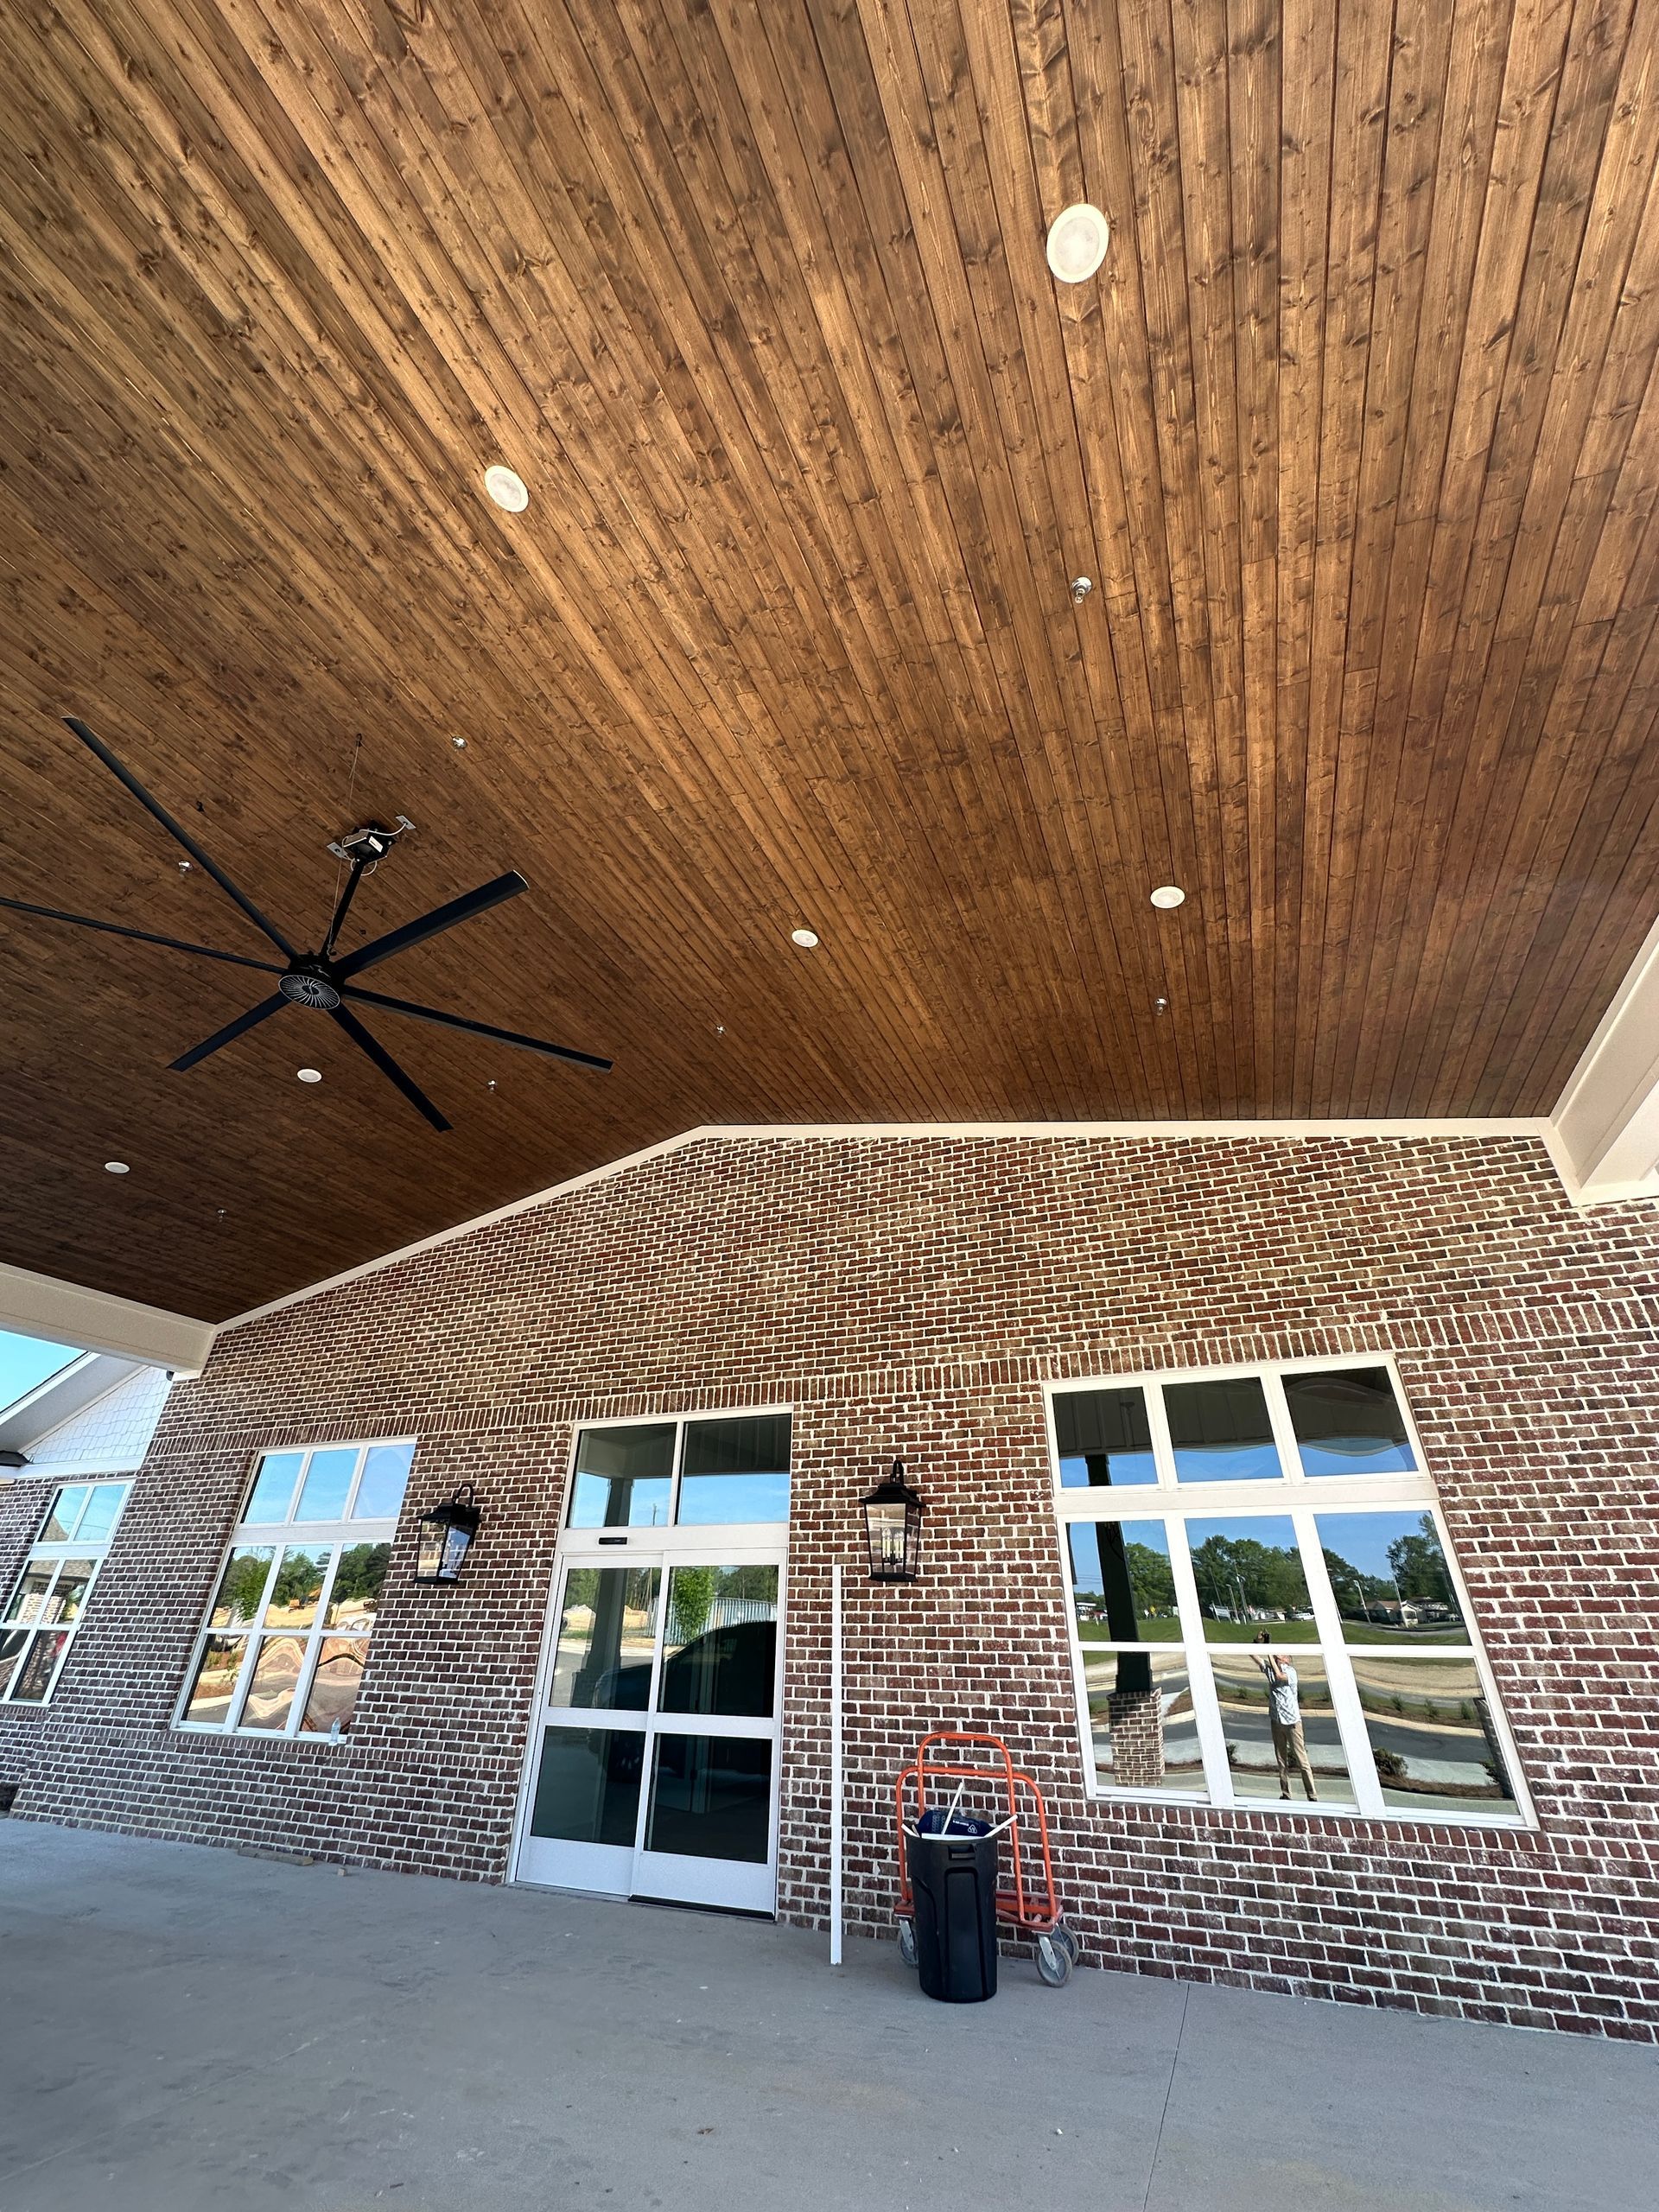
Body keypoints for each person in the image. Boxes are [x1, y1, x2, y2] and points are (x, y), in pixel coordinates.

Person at [1254, 1629, 1318, 1802]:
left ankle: (1312, 1795)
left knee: (1302, 1760)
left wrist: (1269, 1651)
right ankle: (1286, 1794)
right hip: (1276, 1721)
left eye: (1280, 1654)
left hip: (1292, 1723)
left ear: (1287, 1659)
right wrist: (1258, 1642)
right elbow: (1253, 1655)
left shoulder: (1291, 1672)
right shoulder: (1270, 1669)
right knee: (1281, 1760)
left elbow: (1279, 1675)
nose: (1277, 1655)